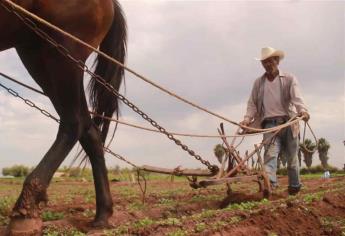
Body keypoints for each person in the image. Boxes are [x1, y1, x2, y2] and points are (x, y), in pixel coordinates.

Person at [240, 47, 310, 195]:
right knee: (270, 156)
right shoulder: (258, 83)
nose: (267, 64)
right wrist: (246, 119)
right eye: (264, 62)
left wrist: (302, 111)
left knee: (292, 159)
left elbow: (297, 98)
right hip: (269, 125)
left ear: (277, 61)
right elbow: (252, 104)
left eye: (270, 61)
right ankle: (269, 186)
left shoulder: (289, 79)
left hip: (289, 123)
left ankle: (294, 187)